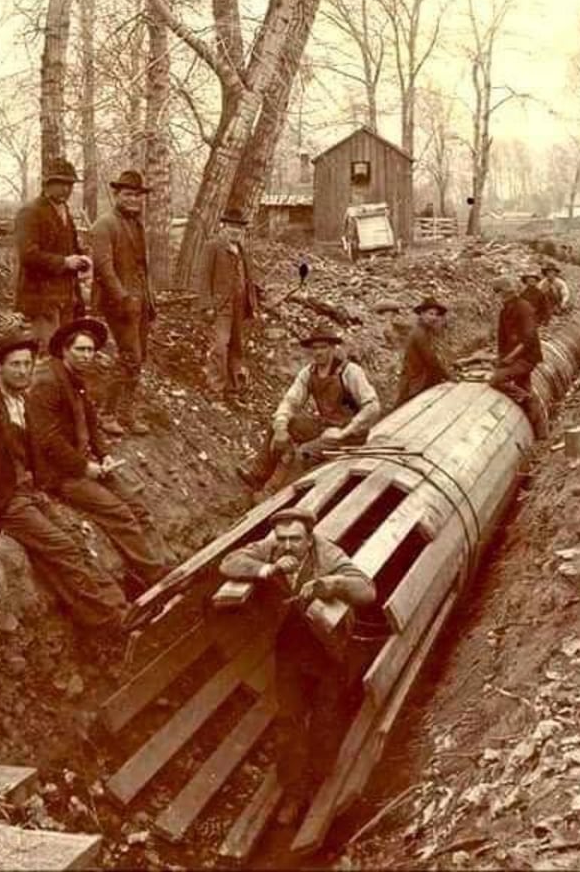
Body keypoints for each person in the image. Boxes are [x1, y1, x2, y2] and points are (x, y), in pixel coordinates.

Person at [0, 331, 131, 629]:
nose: (22, 371)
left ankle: (120, 609)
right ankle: (111, 620)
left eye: (27, 364)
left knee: (76, 541)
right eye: (14, 365)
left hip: (27, 491)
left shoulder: (22, 401)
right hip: (1, 501)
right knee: (63, 547)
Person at [218, 507, 375, 826]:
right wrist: (267, 569)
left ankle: (320, 783)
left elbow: (367, 591)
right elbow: (229, 563)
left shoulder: (327, 553)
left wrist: (330, 584)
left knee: (325, 719)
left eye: (296, 539)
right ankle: (293, 793)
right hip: (289, 650)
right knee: (288, 721)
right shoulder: (272, 548)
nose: (289, 545)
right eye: (283, 539)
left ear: (309, 538)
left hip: (327, 650)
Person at [27, 318, 173, 590]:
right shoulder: (47, 383)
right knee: (118, 512)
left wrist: (103, 454)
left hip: (84, 465)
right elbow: (48, 441)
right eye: (80, 350)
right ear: (64, 350)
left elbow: (91, 423)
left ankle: (165, 563)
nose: (86, 356)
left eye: (90, 350)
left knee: (137, 506)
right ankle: (153, 575)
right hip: (58, 473)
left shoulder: (75, 379)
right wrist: (85, 467)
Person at [236, 327, 381, 492]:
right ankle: (258, 477)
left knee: (304, 453)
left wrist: (345, 432)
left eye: (323, 347)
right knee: (277, 424)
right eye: (315, 348)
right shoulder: (308, 373)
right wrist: (281, 427)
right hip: (325, 426)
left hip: (350, 435)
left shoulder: (350, 372)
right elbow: (290, 401)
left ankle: (280, 495)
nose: (318, 352)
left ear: (333, 348)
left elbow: (373, 406)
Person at [91, 169, 156, 437]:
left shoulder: (137, 224)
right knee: (130, 356)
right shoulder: (104, 225)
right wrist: (123, 298)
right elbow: (105, 269)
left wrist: (149, 300)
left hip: (141, 301)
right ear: (116, 195)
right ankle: (106, 414)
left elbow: (142, 266)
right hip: (120, 303)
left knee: (138, 359)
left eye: (138, 196)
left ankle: (127, 413)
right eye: (128, 194)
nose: (133, 200)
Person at [14, 159, 92, 346]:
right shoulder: (30, 212)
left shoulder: (64, 210)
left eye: (70, 184)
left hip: (67, 296)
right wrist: (64, 262)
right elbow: (27, 255)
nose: (67, 189)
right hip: (41, 297)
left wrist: (82, 258)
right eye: (61, 183)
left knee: (65, 348)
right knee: (46, 351)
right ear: (47, 184)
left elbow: (68, 248)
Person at [198, 208, 259, 396]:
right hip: (221, 306)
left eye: (239, 228)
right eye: (232, 226)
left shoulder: (242, 250)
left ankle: (233, 387)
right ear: (223, 226)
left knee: (236, 345)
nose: (235, 231)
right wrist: (207, 305)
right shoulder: (212, 246)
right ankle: (215, 388)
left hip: (240, 305)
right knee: (219, 345)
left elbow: (248, 278)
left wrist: (253, 304)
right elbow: (203, 277)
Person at [490, 275, 548, 437]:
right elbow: (502, 339)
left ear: (506, 292)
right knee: (523, 385)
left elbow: (528, 339)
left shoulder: (524, 308)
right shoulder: (505, 311)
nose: (497, 297)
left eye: (498, 292)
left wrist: (510, 358)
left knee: (497, 380)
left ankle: (526, 398)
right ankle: (540, 433)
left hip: (527, 358)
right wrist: (500, 357)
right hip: (516, 357)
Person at [395, 297, 451, 407]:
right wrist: (447, 376)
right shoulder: (419, 334)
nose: (434, 318)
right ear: (421, 314)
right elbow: (431, 360)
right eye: (430, 314)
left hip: (418, 379)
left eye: (436, 314)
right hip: (415, 383)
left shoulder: (425, 331)